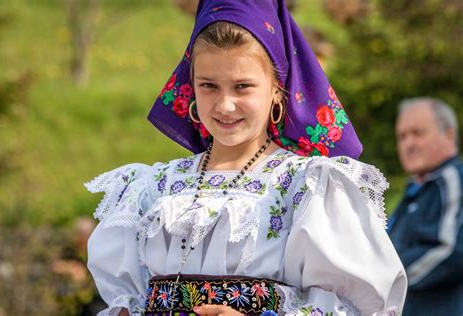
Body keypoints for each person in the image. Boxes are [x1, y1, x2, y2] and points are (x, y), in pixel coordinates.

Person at [85, 1, 407, 315]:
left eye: (242, 87)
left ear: (276, 90)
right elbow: (126, 300)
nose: (225, 105)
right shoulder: (154, 188)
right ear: (191, 87)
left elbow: (358, 308)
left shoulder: (307, 187)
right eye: (209, 85)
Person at [388, 97, 463, 315]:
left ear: (449, 134)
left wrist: (388, 282)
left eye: (417, 133)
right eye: (402, 137)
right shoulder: (414, 190)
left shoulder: (454, 180)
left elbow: (451, 251)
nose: (408, 144)